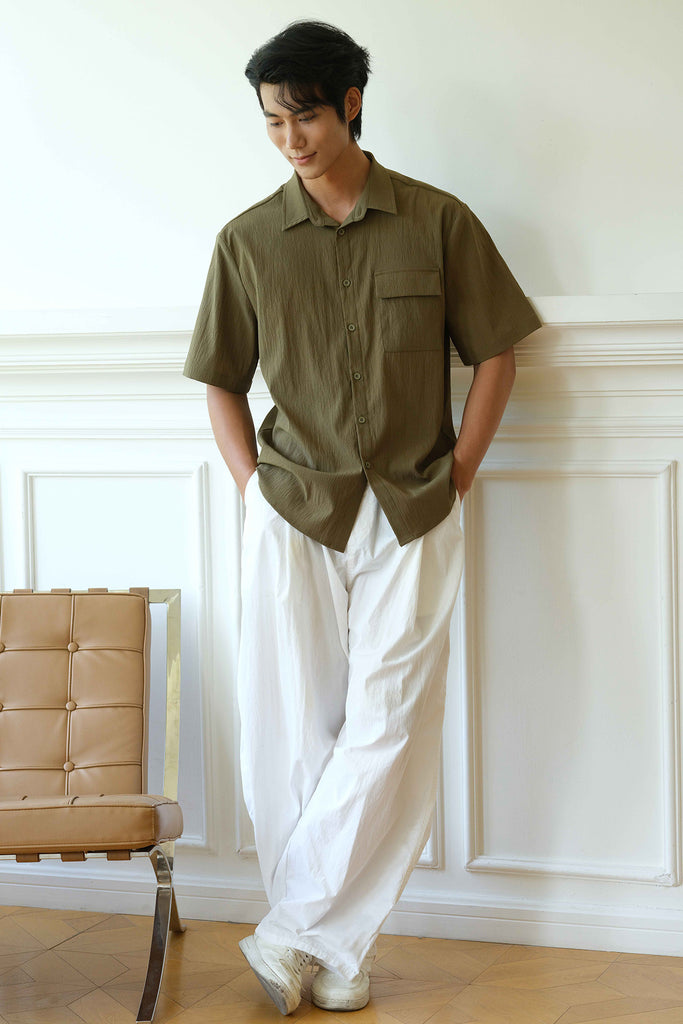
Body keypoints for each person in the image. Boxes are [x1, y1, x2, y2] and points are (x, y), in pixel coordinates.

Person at [183, 18, 543, 1016]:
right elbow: (219, 380)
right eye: (272, 121)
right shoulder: (246, 241)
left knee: (393, 721)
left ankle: (293, 934)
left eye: (303, 115)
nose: (290, 139)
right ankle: (333, 948)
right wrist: (253, 491)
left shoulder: (438, 221)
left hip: (413, 505)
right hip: (293, 505)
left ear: (349, 103)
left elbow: (497, 351)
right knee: (293, 728)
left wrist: (458, 471)